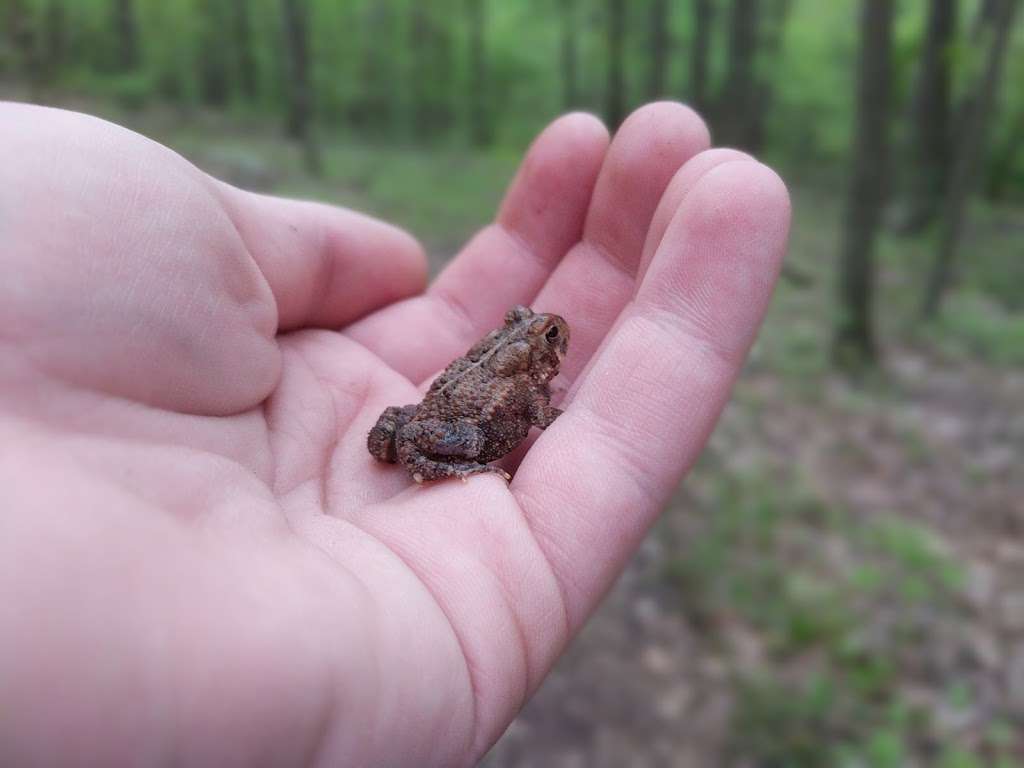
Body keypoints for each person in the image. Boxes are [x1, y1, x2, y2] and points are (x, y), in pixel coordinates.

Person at [0, 100, 789, 766]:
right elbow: (517, 416)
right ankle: (433, 461)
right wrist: (513, 434)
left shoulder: (512, 367)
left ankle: (418, 449)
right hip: (455, 419)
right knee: (458, 440)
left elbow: (491, 397)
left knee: (409, 428)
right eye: (546, 337)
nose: (554, 345)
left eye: (545, 338)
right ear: (535, 348)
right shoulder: (529, 381)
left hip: (433, 404)